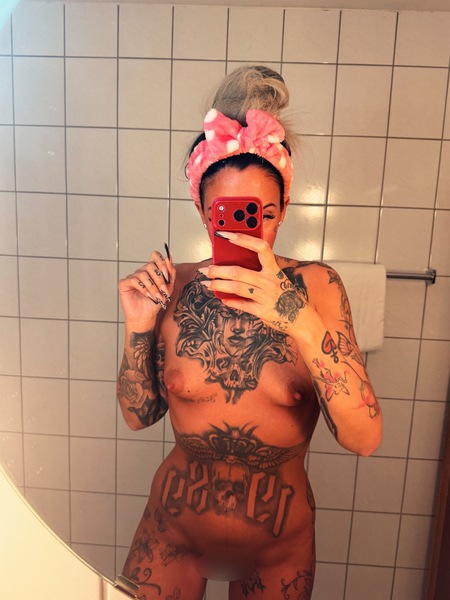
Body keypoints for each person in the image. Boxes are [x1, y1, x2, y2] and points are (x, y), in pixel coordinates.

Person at [116, 65, 382, 600]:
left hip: (278, 547)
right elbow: (138, 417)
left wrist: (298, 318)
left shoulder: (319, 288)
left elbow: (363, 439)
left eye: (263, 213)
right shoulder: (172, 286)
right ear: (202, 211)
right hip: (172, 532)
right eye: (228, 214)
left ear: (284, 210)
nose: (247, 231)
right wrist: (139, 326)